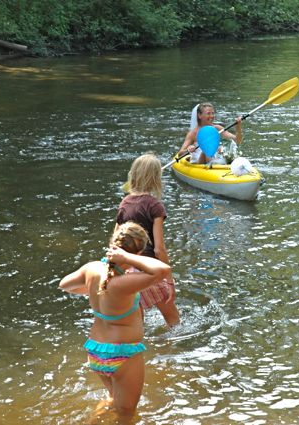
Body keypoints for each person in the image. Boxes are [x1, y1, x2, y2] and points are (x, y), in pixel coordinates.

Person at [59, 222, 171, 420]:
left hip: (95, 350)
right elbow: (162, 269)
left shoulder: (92, 269)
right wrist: (128, 258)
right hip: (123, 353)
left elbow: (64, 285)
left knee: (112, 400)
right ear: (139, 251)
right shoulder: (123, 283)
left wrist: (90, 290)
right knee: (126, 415)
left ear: (113, 241)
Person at [116, 153, 179, 327]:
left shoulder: (124, 203)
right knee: (174, 321)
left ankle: (142, 353)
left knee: (138, 324)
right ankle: (170, 351)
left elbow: (114, 243)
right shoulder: (154, 206)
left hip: (128, 272)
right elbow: (159, 249)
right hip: (149, 271)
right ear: (155, 178)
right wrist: (169, 280)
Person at [177, 102, 242, 165]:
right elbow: (180, 154)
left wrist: (238, 127)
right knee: (207, 145)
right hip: (199, 163)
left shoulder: (217, 128)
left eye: (213, 113)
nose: (211, 116)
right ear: (199, 115)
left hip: (213, 161)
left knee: (222, 151)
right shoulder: (193, 133)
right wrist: (188, 150)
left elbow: (237, 140)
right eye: (208, 113)